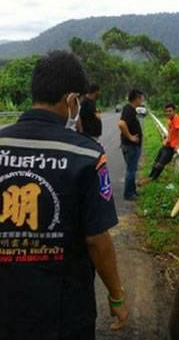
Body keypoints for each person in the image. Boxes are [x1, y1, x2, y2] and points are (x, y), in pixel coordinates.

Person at [0, 51, 128, 339]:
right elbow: (97, 239)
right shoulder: (87, 153)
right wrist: (116, 296)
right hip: (63, 312)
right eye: (79, 102)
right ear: (72, 101)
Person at [139, 103, 179, 186]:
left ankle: (152, 178)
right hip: (166, 145)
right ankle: (150, 177)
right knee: (156, 161)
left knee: (160, 164)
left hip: (171, 147)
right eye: (166, 111)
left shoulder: (176, 118)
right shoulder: (170, 119)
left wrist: (178, 144)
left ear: (174, 111)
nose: (168, 113)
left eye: (170, 111)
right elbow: (171, 132)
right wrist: (166, 139)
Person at [118, 90, 144, 201]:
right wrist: (130, 137)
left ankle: (132, 191)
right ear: (136, 98)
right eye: (141, 98)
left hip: (130, 145)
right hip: (131, 146)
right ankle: (128, 194)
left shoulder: (130, 109)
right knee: (131, 170)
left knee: (132, 169)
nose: (142, 100)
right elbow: (121, 123)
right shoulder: (129, 109)